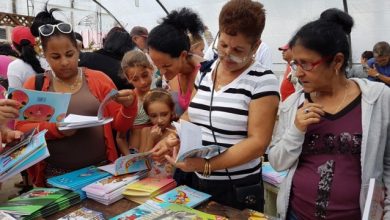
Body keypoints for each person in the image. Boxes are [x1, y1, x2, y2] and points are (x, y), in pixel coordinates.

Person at [153, 0, 280, 211]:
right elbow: (191, 115)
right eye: (223, 45)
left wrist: (207, 166)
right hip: (195, 181)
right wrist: (173, 137)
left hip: (235, 189)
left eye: (238, 49)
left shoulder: (262, 80)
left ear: (256, 45)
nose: (227, 54)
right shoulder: (205, 72)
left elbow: (258, 143)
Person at [268, 8, 390, 220]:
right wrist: (296, 130)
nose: (297, 72)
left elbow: (387, 163)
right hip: (297, 214)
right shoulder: (293, 105)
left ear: (337, 62)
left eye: (306, 64)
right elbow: (278, 162)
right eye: (295, 63)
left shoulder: (377, 99)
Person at [15, 6, 138, 186]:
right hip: (55, 178)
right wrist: (56, 129)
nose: (65, 62)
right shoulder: (36, 85)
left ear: (78, 50)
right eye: (56, 57)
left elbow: (120, 125)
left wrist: (129, 106)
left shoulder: (99, 80)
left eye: (70, 54)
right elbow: (22, 129)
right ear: (45, 56)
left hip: (101, 173)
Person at [147, 8, 205, 117]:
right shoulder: (174, 76)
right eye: (157, 66)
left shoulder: (204, 75)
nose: (162, 72)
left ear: (183, 55)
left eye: (166, 65)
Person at [116, 50, 153, 155]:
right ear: (128, 79)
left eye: (145, 75)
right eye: (135, 79)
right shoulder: (129, 101)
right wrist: (129, 159)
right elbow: (120, 137)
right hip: (135, 154)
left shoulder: (160, 95)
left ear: (151, 68)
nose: (142, 82)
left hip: (157, 154)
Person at [139, 89, 176, 153]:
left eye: (164, 114)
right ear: (148, 115)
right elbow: (141, 160)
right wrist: (151, 140)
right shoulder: (146, 131)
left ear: (172, 111)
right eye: (154, 116)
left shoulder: (176, 133)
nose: (159, 120)